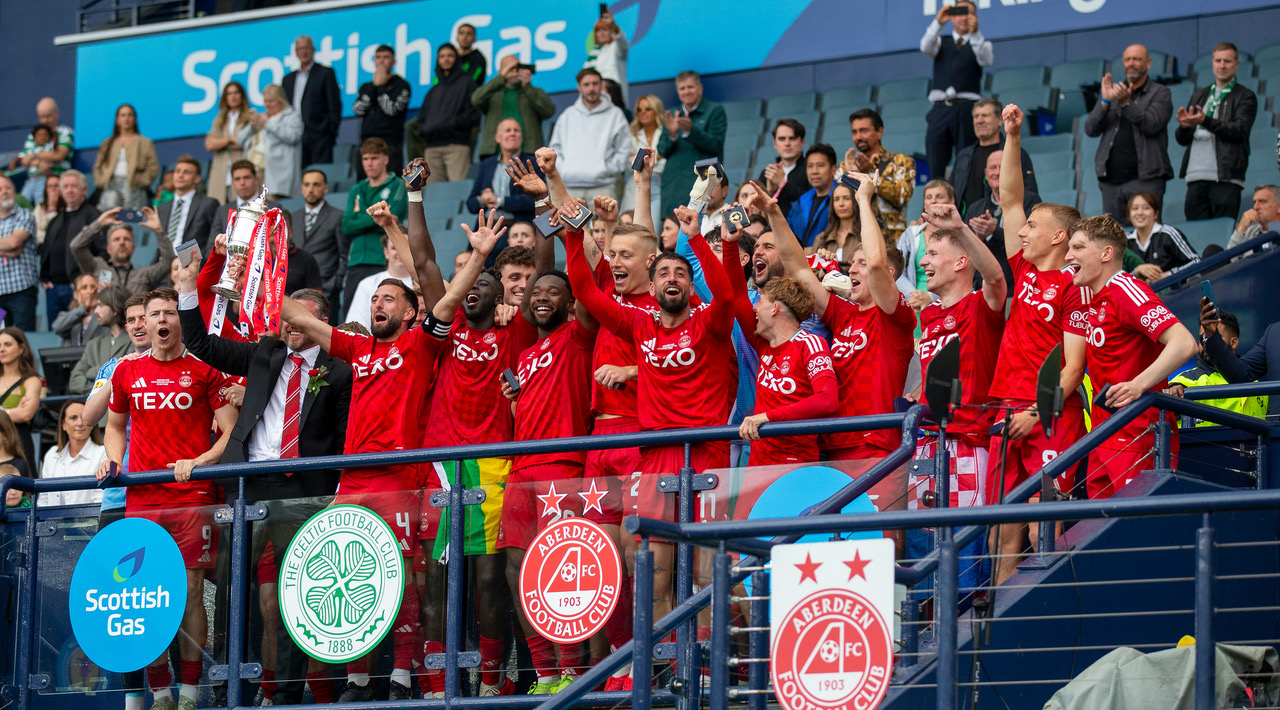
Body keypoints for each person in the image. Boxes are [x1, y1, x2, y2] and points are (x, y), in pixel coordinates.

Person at [176, 253, 351, 705]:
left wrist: (337, 492)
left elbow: (346, 436)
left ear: (322, 323)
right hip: (249, 486)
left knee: (297, 592)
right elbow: (201, 343)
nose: (293, 328)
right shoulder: (265, 354)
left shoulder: (340, 367)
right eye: (288, 320)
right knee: (233, 589)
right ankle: (231, 686)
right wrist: (187, 288)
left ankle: (289, 691)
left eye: (302, 320)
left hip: (306, 490)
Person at [565, 205, 736, 648]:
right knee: (652, 574)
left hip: (706, 452)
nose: (672, 278)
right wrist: (571, 235)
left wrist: (696, 240)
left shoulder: (709, 323)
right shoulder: (639, 325)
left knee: (703, 574)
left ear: (688, 282)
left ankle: (706, 667)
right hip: (656, 456)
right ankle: (667, 666)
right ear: (653, 283)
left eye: (680, 272)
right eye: (663, 273)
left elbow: (728, 296)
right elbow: (584, 287)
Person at [278, 269, 446, 702]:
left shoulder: (421, 343)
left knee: (405, 580)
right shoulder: (357, 347)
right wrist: (257, 276)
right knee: (348, 574)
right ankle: (357, 681)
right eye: (375, 298)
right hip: (351, 480)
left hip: (398, 477)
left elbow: (443, 296)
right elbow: (302, 318)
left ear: (410, 312)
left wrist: (480, 253)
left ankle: (403, 677)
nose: (378, 304)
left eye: (389, 299)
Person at [93, 288, 237, 710]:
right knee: (144, 595)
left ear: (179, 321)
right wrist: (113, 461)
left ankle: (190, 692)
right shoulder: (126, 371)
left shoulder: (206, 369)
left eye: (169, 313)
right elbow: (114, 426)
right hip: (143, 498)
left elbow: (229, 432)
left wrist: (200, 459)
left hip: (193, 495)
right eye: (154, 313)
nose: (161, 320)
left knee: (191, 591)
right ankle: (159, 692)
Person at [496, 205, 600, 694]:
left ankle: (576, 673)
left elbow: (570, 278)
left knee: (563, 567)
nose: (541, 297)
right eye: (535, 292)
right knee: (519, 571)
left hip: (563, 467)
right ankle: (545, 672)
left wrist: (546, 215)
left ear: (568, 301)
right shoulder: (524, 353)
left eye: (552, 292)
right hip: (520, 470)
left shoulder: (578, 337)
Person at [984, 106, 1089, 586]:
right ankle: (994, 624)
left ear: (1058, 237)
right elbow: (1009, 201)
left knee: (1044, 524)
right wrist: (1012, 135)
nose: (1022, 231)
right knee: (998, 530)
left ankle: (1040, 617)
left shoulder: (1074, 286)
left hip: (1049, 414)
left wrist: (1038, 412)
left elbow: (1073, 368)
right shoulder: (1023, 270)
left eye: (1033, 227)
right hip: (1005, 408)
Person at [1067, 216, 1198, 499]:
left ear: (1106, 253)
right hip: (1105, 433)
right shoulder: (1089, 294)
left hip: (1140, 434)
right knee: (1099, 535)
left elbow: (1185, 343)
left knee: (1134, 531)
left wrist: (1138, 384)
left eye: (1077, 247)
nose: (1068, 255)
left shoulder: (1128, 289)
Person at [722, 234, 837, 465]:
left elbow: (827, 400)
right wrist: (729, 242)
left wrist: (767, 417)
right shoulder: (763, 346)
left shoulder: (810, 344)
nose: (754, 308)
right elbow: (736, 293)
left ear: (775, 309)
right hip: (758, 461)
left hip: (795, 462)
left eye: (760, 303)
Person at [1084, 44, 1174, 227]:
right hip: (1111, 183)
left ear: (1148, 63)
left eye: (1137, 59)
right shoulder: (1112, 92)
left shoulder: (1161, 93)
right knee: (1113, 241)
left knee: (1147, 234)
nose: (1131, 63)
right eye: (1127, 59)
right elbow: (1090, 129)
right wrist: (1105, 101)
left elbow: (1151, 124)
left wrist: (1126, 103)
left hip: (1145, 179)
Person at [1175, 42, 1257, 221]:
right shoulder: (1199, 94)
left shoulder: (1245, 96)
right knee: (1197, 232)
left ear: (1237, 64)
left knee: (1222, 234)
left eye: (1227, 61)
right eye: (1218, 60)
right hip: (1196, 175)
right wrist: (1184, 126)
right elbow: (1182, 140)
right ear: (1212, 63)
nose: (1222, 65)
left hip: (1227, 177)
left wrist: (1206, 121)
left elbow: (1240, 130)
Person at [920, 0, 991, 178]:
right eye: (959, 12)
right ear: (952, 16)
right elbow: (925, 46)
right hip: (941, 108)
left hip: (967, 109)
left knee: (966, 162)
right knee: (935, 161)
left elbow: (985, 59)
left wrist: (975, 34)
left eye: (969, 13)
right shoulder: (941, 42)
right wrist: (939, 22)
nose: (964, 17)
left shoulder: (980, 42)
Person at [1169, 310, 1268, 426]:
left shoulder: (1256, 384)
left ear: (1234, 342)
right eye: (1202, 338)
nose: (1206, 342)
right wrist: (1173, 391)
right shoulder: (1184, 382)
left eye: (1213, 336)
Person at [343, 138, 408, 312]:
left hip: (382, 260)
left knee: (384, 312)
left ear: (385, 159)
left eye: (374, 158)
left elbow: (392, 219)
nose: (369, 163)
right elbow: (347, 225)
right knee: (352, 315)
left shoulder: (398, 185)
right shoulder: (356, 189)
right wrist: (376, 217)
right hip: (356, 261)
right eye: (365, 159)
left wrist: (361, 215)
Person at [549, 68, 630, 201]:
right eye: (586, 84)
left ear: (601, 85)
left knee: (606, 223)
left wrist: (606, 169)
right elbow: (555, 149)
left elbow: (624, 149)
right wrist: (564, 170)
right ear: (579, 87)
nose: (591, 88)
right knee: (566, 223)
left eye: (595, 83)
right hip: (569, 187)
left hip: (603, 187)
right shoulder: (568, 115)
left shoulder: (615, 114)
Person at [966, 148, 1041, 287]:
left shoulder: (1030, 201)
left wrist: (995, 232)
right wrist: (979, 237)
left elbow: (1033, 244)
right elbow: (964, 252)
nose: (997, 172)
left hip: (1018, 287)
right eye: (993, 168)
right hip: (982, 290)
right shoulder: (975, 208)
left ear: (1013, 170)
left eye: (1002, 167)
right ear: (986, 174)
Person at [657, 71, 727, 219]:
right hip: (673, 187)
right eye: (682, 88)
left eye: (690, 87)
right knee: (672, 235)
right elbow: (661, 150)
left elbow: (716, 145)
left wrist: (691, 131)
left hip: (703, 185)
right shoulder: (672, 113)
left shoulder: (715, 110)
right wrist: (672, 134)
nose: (686, 91)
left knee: (701, 233)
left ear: (700, 88)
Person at [951, 98, 1038, 216]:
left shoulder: (1016, 153)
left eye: (985, 115)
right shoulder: (963, 156)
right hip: (967, 226)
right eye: (976, 116)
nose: (979, 121)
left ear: (999, 120)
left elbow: (1029, 197)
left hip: (1002, 226)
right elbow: (951, 192)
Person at [843, 109, 916, 241]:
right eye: (854, 132)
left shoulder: (901, 162)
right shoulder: (846, 165)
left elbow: (902, 197)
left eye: (864, 131)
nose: (858, 137)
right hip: (854, 241)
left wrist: (868, 175)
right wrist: (852, 174)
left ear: (879, 132)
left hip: (890, 244)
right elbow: (837, 202)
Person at [415, 43, 482, 183]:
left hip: (457, 147)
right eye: (442, 56)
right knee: (433, 196)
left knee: (458, 192)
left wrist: (451, 124)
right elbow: (420, 120)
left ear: (457, 59)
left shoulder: (468, 84)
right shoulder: (432, 91)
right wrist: (427, 129)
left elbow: (473, 115)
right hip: (432, 149)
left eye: (450, 55)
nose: (446, 59)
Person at [42, 170, 102, 326]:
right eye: (66, 186)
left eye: (74, 186)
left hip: (79, 288)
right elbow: (46, 249)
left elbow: (101, 251)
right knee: (55, 333)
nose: (69, 190)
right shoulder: (55, 220)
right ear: (61, 191)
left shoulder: (94, 216)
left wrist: (87, 280)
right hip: (54, 289)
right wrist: (45, 276)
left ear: (84, 190)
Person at [472, 55, 556, 159]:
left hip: (528, 154)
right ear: (500, 71)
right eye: (510, 68)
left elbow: (549, 111)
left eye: (518, 68)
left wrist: (528, 87)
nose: (515, 72)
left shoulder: (533, 92)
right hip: (494, 153)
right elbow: (475, 99)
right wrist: (501, 78)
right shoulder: (492, 94)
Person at [72, 209, 174, 292]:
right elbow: (76, 247)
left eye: (127, 239)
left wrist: (158, 231)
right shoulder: (96, 267)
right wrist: (99, 223)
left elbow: (168, 261)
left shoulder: (144, 274)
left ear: (134, 248)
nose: (122, 243)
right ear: (108, 248)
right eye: (116, 239)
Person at [282, 35, 343, 167]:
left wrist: (329, 133)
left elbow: (335, 105)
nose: (304, 52)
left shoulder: (325, 73)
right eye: (300, 49)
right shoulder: (288, 79)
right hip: (295, 137)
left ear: (313, 50)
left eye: (307, 48)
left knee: (319, 174)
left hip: (319, 136)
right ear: (296, 52)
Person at [467, 121, 543, 225]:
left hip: (518, 230)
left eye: (516, 130)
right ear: (498, 138)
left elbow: (535, 201)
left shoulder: (532, 163)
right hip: (487, 228)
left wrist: (500, 201)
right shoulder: (486, 164)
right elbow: (471, 205)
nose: (512, 133)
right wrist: (483, 200)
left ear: (521, 137)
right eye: (508, 130)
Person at [353, 45, 411, 179]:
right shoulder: (366, 87)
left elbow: (392, 110)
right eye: (378, 57)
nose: (381, 61)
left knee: (390, 183)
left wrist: (380, 88)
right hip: (366, 143)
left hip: (390, 144)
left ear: (394, 61)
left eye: (386, 57)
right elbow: (358, 110)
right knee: (364, 186)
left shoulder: (402, 85)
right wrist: (374, 87)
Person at [292, 169, 347, 309]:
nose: (311, 189)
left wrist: (334, 284)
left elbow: (345, 255)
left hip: (325, 291)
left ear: (326, 188)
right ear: (302, 188)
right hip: (294, 293)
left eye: (316, 185)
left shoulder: (337, 216)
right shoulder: (293, 217)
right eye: (307, 185)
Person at [238, 84, 303, 199]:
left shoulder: (292, 116)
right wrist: (251, 126)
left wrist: (268, 123)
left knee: (271, 206)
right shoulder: (262, 116)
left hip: (277, 174)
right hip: (255, 170)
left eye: (271, 101)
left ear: (281, 100)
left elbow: (292, 136)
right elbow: (240, 140)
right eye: (265, 101)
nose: (268, 104)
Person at [38, 399, 106, 507]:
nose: (80, 423)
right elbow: (43, 500)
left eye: (84, 417)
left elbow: (100, 499)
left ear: (92, 423)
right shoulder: (52, 454)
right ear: (64, 425)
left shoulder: (103, 453)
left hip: (89, 521)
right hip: (52, 522)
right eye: (73, 418)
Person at [896, 178, 954, 301]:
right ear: (924, 204)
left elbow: (958, 276)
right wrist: (913, 296)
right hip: (914, 304)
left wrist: (930, 298)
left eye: (939, 196)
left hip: (948, 305)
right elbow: (896, 270)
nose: (933, 200)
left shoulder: (958, 236)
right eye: (928, 197)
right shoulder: (910, 234)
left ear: (951, 201)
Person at [92, 104, 158, 211]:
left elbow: (153, 167)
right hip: (111, 184)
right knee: (109, 213)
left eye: (130, 115)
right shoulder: (107, 143)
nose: (126, 118)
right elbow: (98, 166)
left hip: (134, 185)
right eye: (122, 115)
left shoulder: (144, 142)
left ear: (135, 119)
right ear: (117, 119)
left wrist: (140, 181)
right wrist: (102, 181)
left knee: (133, 215)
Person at [67, 286, 132, 395]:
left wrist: (92, 372)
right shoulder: (93, 344)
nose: (96, 311)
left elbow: (125, 379)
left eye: (100, 305)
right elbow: (74, 382)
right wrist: (101, 390)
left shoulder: (135, 341)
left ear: (115, 309)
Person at [212, 161, 284, 252]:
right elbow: (212, 246)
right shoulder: (222, 211)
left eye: (246, 178)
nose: (242, 183)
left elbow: (280, 242)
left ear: (256, 179)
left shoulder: (273, 208)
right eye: (237, 179)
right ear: (232, 182)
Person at [1125, 191, 1199, 280]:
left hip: (1174, 290)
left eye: (1146, 208)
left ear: (1156, 214)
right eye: (1135, 208)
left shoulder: (1168, 234)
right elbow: (1114, 279)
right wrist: (1136, 271)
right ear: (1129, 215)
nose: (1140, 213)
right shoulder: (1123, 241)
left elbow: (1196, 262)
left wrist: (1167, 275)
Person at [204, 82, 256, 205]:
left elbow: (246, 143)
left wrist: (221, 143)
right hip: (220, 172)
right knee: (220, 208)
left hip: (241, 168)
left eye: (236, 93)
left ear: (242, 96)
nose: (233, 97)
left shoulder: (251, 115)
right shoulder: (220, 119)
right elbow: (209, 144)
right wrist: (229, 140)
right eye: (229, 93)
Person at [157, 155, 220, 256]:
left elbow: (213, 241)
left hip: (193, 264)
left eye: (187, 172)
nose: (180, 175)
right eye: (177, 171)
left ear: (197, 178)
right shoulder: (163, 208)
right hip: (165, 265)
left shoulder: (208, 204)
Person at [0, 327, 43, 473]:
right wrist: (13, 411)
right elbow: (19, 413)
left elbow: (26, 414)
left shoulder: (31, 380)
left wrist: (3, 412)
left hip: (20, 442)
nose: (2, 349)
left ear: (21, 348)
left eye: (7, 344)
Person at [0, 175, 39, 330]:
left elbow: (14, 242)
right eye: (0, 189)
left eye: (8, 188)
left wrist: (11, 245)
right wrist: (8, 251)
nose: (5, 192)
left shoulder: (25, 215)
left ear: (14, 191)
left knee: (24, 338)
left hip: (21, 291)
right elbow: (10, 246)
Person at [621, 94, 666, 215]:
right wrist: (656, 157)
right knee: (632, 227)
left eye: (648, 108)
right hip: (635, 186)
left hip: (659, 184)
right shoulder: (631, 133)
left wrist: (639, 157)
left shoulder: (665, 133)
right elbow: (626, 164)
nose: (643, 112)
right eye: (639, 109)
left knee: (654, 230)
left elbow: (667, 164)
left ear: (656, 110)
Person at [786, 144, 838, 247]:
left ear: (833, 169)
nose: (814, 171)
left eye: (820, 165)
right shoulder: (799, 203)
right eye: (810, 166)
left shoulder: (842, 200)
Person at [758, 118, 809, 219]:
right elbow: (759, 211)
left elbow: (812, 202)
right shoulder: (766, 173)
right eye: (782, 139)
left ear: (802, 142)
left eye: (792, 138)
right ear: (775, 143)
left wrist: (783, 184)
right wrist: (770, 192)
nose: (787, 143)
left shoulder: (811, 170)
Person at [810, 178, 865, 266]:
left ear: (856, 200)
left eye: (846, 198)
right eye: (836, 199)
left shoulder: (865, 237)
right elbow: (811, 271)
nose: (841, 204)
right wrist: (825, 269)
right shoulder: (822, 238)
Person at [585, 9, 629, 107]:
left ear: (610, 31)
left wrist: (615, 27)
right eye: (598, 31)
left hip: (615, 99)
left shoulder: (615, 47)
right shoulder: (594, 53)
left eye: (605, 29)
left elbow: (623, 44)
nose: (602, 33)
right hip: (596, 100)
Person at [51, 273, 108, 347]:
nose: (90, 291)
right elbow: (57, 327)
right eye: (84, 287)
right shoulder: (70, 316)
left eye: (93, 287)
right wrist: (84, 308)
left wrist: (106, 297)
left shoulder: (105, 316)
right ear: (75, 294)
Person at [10, 124, 56, 206]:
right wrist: (13, 163)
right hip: (31, 179)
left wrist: (55, 134)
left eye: (46, 135)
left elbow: (54, 148)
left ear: (50, 138)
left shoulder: (48, 148)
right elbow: (21, 157)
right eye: (39, 135)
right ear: (34, 138)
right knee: (24, 198)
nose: (43, 137)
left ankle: (40, 215)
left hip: (42, 179)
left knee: (40, 200)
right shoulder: (31, 149)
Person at [32, 174, 61, 246]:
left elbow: (55, 230)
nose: (53, 189)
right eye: (50, 186)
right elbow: (35, 229)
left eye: (56, 186)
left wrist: (52, 208)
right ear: (46, 189)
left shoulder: (67, 207)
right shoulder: (39, 207)